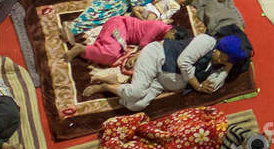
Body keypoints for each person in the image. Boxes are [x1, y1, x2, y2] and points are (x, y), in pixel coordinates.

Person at [86, 32, 234, 111]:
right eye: (223, 56)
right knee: (136, 92)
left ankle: (114, 82)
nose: (221, 60)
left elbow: (213, 85)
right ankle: (104, 86)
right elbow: (183, 62)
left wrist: (227, 68)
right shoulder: (207, 42)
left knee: (135, 105)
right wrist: (197, 86)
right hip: (156, 57)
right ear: (220, 49)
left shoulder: (218, 68)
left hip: (161, 83)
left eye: (227, 60)